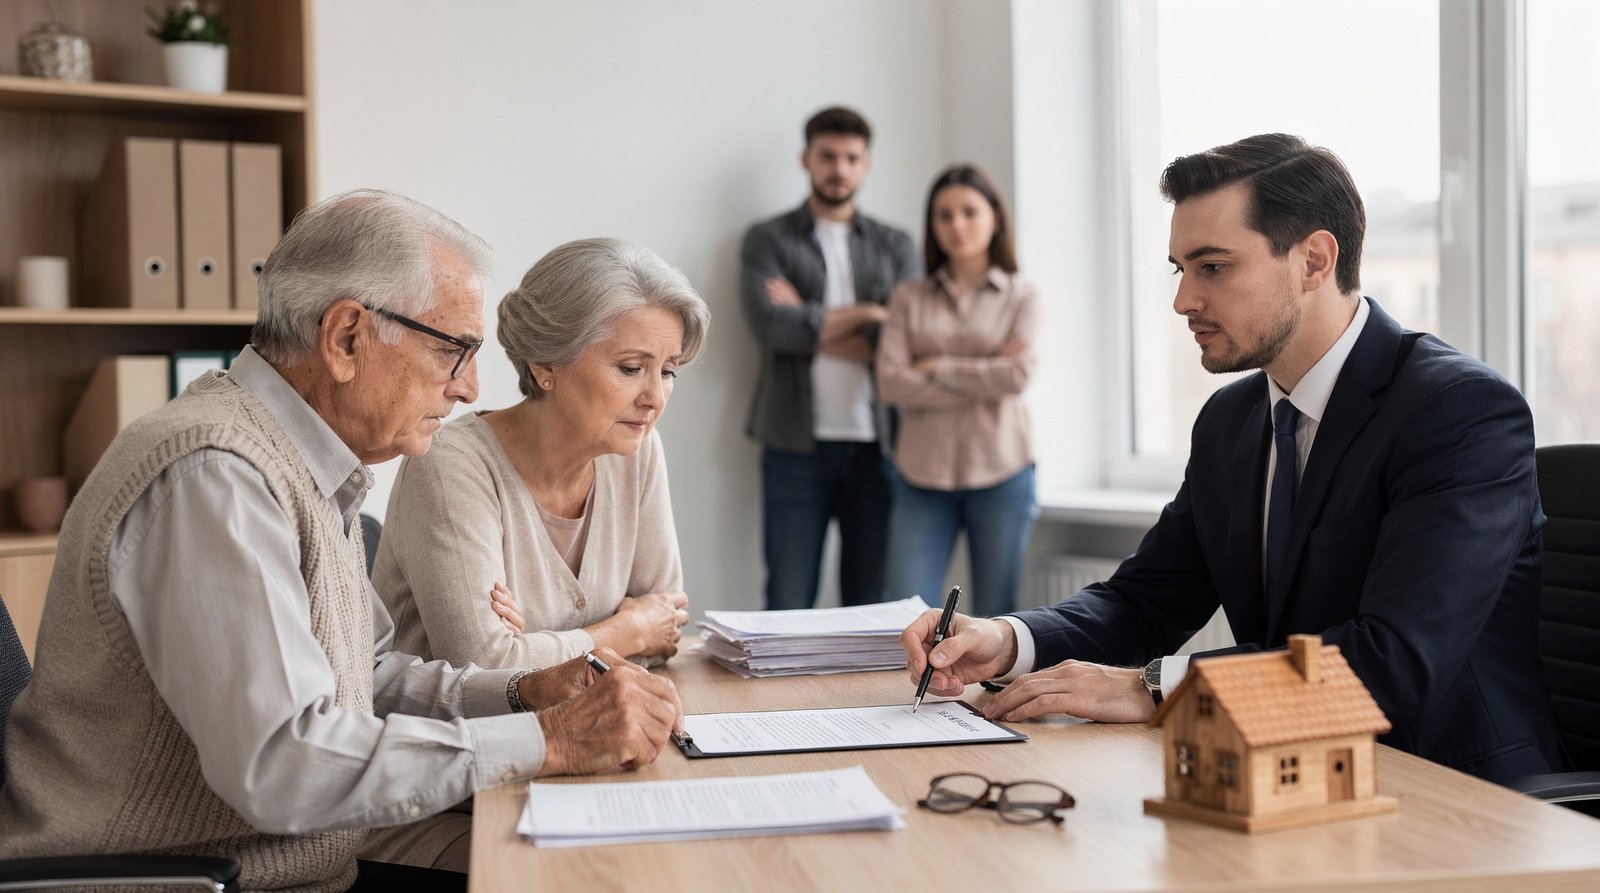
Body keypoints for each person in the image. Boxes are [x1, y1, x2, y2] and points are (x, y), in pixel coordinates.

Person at [0, 190, 683, 891]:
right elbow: (284, 763)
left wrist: (522, 690)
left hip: (298, 868)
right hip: (193, 879)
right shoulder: (213, 475)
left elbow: (368, 678)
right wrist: (551, 739)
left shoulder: (304, 467)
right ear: (348, 337)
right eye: (454, 351)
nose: (469, 386)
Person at [901, 134, 1561, 782]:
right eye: (1179, 269)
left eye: (1212, 267)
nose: (1183, 300)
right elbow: (1144, 601)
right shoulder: (1231, 420)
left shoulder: (1460, 411)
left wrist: (1159, 686)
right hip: (1284, 779)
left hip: (1445, 791)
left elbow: (1395, 663)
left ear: (1313, 261)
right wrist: (1009, 639)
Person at [372, 238, 708, 671]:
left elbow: (665, 630)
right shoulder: (448, 464)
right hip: (454, 736)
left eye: (667, 371)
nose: (655, 397)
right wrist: (626, 631)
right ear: (544, 364)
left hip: (588, 728)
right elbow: (485, 670)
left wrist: (533, 644)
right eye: (630, 368)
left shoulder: (636, 451)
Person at [741, 105, 920, 610]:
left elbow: (904, 340)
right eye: (827, 156)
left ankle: (864, 697)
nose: (839, 168)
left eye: (851, 158)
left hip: (880, 446)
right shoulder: (769, 238)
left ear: (865, 165)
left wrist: (805, 316)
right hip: (794, 443)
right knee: (788, 598)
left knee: (872, 604)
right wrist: (866, 313)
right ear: (806, 159)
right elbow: (769, 326)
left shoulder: (896, 244)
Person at [877, 165, 1039, 617]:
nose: (957, 225)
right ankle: (910, 693)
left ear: (995, 218)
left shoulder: (1022, 296)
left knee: (999, 615)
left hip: (1003, 472)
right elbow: (891, 382)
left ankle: (988, 694)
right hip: (920, 477)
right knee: (904, 610)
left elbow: (1019, 376)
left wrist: (936, 367)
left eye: (969, 212)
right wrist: (987, 375)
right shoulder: (908, 297)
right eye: (944, 215)